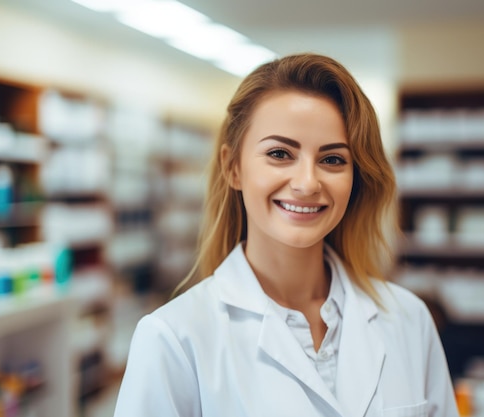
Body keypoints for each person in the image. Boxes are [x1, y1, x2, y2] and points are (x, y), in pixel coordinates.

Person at [113, 53, 459, 417]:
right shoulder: (173, 337)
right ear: (234, 168)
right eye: (280, 153)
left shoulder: (408, 319)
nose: (307, 183)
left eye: (332, 159)